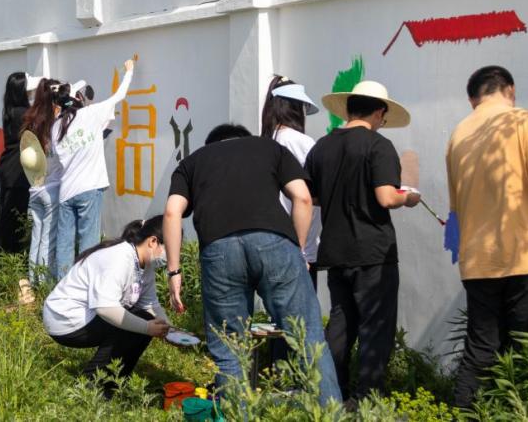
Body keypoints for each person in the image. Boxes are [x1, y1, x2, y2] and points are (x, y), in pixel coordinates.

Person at [164, 124, 341, 405]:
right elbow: (303, 197)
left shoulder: (192, 162)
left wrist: (174, 271)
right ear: (244, 139)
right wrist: (297, 250)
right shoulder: (270, 148)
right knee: (308, 338)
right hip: (275, 242)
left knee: (230, 348)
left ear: (212, 144)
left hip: (218, 250)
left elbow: (172, 213)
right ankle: (329, 413)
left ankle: (237, 413)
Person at [447, 66, 528, 408]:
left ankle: (465, 413)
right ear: (510, 90)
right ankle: (524, 413)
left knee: (481, 349)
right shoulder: (526, 120)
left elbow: (456, 209)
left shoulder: (459, 135)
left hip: (478, 259)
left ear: (473, 99)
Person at [305, 80, 420, 404]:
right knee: (375, 328)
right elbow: (387, 197)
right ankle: (367, 400)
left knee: (341, 325)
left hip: (335, 251)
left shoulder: (322, 147)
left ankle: (330, 394)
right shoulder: (378, 145)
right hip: (373, 252)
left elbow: (311, 196)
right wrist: (409, 197)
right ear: (380, 112)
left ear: (348, 108)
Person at [44, 216, 171, 396]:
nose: (172, 257)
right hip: (65, 319)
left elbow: (150, 303)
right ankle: (93, 385)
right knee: (139, 324)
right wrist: (146, 327)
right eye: (171, 249)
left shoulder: (145, 263)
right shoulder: (119, 258)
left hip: (89, 315)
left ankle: (115, 381)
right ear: (152, 242)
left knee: (144, 320)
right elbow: (105, 309)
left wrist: (170, 329)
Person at [53, 58, 135, 276]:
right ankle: (85, 285)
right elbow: (119, 96)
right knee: (88, 245)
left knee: (64, 244)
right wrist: (129, 71)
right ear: (79, 98)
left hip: (66, 192)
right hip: (89, 190)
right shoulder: (91, 114)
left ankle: (62, 286)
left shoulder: (56, 127)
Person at [261, 75, 322, 288]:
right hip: (300, 248)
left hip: (269, 242)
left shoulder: (266, 142)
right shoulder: (302, 142)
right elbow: (311, 195)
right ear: (295, 108)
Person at [21, 78, 65, 281]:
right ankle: (44, 282)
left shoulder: (32, 121)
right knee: (49, 239)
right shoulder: (56, 123)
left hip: (35, 187)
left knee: (36, 238)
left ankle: (32, 279)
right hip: (52, 188)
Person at [0, 72, 37, 254]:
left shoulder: (10, 111)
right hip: (18, 169)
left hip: (8, 166)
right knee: (15, 215)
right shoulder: (25, 114)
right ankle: (11, 253)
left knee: (5, 212)